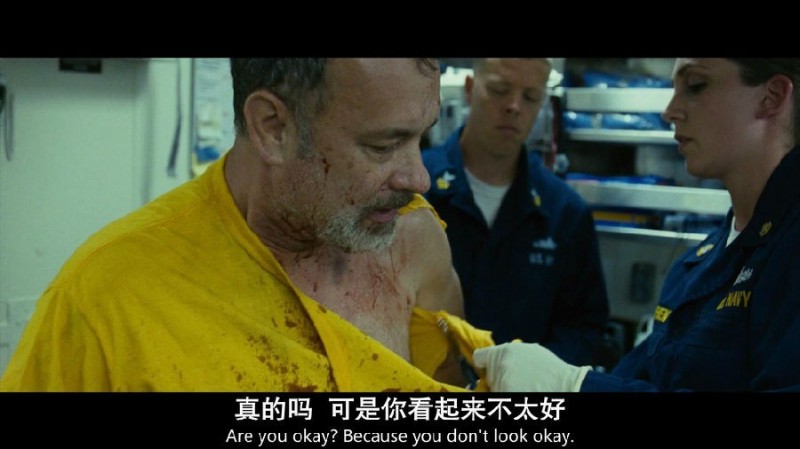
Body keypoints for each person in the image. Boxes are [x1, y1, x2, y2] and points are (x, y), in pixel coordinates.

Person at [0, 58, 495, 392]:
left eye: (421, 138)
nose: (419, 178)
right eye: (383, 146)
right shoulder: (105, 297)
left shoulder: (414, 243)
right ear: (273, 128)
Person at [473, 58, 800, 392]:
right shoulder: (696, 268)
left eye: (696, 86)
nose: (669, 112)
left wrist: (575, 385)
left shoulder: (788, 247)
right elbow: (637, 378)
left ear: (771, 96)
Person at [422, 58, 609, 365]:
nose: (514, 106)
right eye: (500, 90)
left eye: (530, 97)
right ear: (470, 89)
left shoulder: (564, 213)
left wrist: (531, 375)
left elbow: (583, 327)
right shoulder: (415, 188)